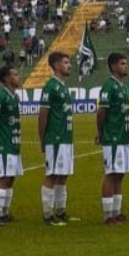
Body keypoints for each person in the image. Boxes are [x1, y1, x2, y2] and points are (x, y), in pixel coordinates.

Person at [38, 51, 74, 226]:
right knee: (52, 174)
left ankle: (60, 212)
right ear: (57, 65)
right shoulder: (51, 87)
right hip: (55, 138)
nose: (69, 65)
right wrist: (43, 139)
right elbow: (43, 114)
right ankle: (47, 215)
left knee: (63, 175)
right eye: (66, 62)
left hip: (66, 138)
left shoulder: (63, 86)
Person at [96, 53, 129, 225]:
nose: (126, 66)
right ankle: (107, 215)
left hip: (124, 137)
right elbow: (101, 112)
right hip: (113, 137)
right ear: (113, 66)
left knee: (120, 174)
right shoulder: (109, 86)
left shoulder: (123, 87)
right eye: (122, 63)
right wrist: (100, 131)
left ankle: (117, 212)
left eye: (126, 63)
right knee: (110, 174)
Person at [0, 65, 23, 227]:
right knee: (3, 178)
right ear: (7, 79)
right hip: (3, 145)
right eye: (15, 74)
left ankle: (5, 212)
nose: (18, 76)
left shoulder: (14, 97)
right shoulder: (1, 97)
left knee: (11, 178)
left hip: (13, 144)